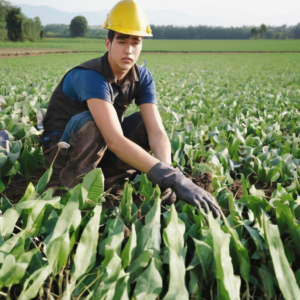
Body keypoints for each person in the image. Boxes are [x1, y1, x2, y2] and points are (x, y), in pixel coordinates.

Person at [41, 0, 221, 217]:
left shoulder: (142, 77)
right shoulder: (92, 77)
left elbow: (156, 132)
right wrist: (172, 177)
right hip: (61, 151)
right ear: (108, 43)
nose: (128, 50)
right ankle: (75, 184)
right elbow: (115, 140)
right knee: (95, 122)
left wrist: (168, 173)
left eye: (135, 42)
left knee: (144, 124)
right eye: (122, 41)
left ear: (141, 45)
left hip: (100, 147)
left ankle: (106, 178)